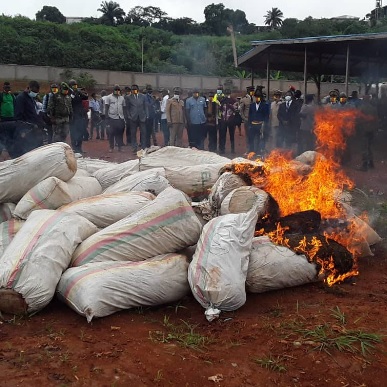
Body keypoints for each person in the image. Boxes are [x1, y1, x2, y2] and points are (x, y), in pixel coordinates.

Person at [12, 80, 45, 156]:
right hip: (25, 131)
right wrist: (25, 128)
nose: (35, 93)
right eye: (34, 91)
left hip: (32, 130)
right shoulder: (21, 98)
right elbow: (18, 117)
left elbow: (32, 113)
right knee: (25, 153)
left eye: (36, 92)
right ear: (28, 88)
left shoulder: (31, 98)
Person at [356, 95, 378, 171]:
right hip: (372, 130)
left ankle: (364, 165)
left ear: (364, 100)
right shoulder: (374, 108)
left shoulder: (362, 108)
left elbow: (358, 118)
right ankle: (371, 163)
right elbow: (376, 119)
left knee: (364, 147)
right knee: (369, 147)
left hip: (364, 130)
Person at [247, 88, 270, 156]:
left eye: (258, 97)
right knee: (251, 138)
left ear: (261, 98)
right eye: (256, 97)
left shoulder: (265, 105)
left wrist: (265, 124)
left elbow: (266, 116)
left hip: (260, 124)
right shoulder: (252, 105)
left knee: (259, 139)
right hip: (252, 124)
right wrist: (249, 124)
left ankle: (258, 151)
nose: (257, 98)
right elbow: (250, 115)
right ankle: (251, 150)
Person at [68, 79, 88, 154]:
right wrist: (73, 93)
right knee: (73, 133)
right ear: (70, 86)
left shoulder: (78, 92)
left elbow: (85, 97)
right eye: (73, 86)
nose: (75, 87)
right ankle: (74, 148)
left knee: (81, 132)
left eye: (76, 85)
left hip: (80, 116)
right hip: (73, 116)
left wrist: (79, 92)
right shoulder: (68, 93)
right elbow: (70, 100)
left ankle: (79, 148)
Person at [126, 84, 148, 152]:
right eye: (132, 89)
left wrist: (147, 115)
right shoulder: (128, 97)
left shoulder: (143, 96)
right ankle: (134, 147)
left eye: (135, 89)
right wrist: (129, 116)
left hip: (142, 117)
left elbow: (145, 106)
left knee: (143, 132)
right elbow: (127, 108)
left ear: (138, 89)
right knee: (133, 133)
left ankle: (143, 147)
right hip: (133, 117)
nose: (133, 90)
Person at [104, 85, 125, 153]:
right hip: (111, 118)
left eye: (118, 90)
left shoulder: (122, 98)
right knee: (111, 133)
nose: (117, 91)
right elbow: (106, 108)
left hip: (120, 118)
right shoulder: (108, 97)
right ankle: (111, 147)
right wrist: (106, 117)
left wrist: (124, 117)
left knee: (119, 133)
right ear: (113, 90)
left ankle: (119, 147)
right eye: (116, 90)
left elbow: (124, 108)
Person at [219, 88, 237, 154]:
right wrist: (222, 103)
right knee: (223, 135)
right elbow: (220, 109)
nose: (227, 95)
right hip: (224, 120)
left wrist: (228, 104)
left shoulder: (233, 100)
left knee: (232, 135)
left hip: (231, 120)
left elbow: (235, 109)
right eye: (226, 94)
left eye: (228, 94)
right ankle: (222, 149)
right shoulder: (222, 100)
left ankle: (232, 150)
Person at [239, 85, 255, 153]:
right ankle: (248, 149)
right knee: (248, 135)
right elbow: (241, 110)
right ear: (248, 91)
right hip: (247, 119)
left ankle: (254, 149)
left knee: (254, 135)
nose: (252, 92)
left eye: (253, 90)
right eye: (251, 91)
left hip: (254, 120)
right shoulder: (244, 99)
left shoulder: (255, 98)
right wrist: (244, 118)